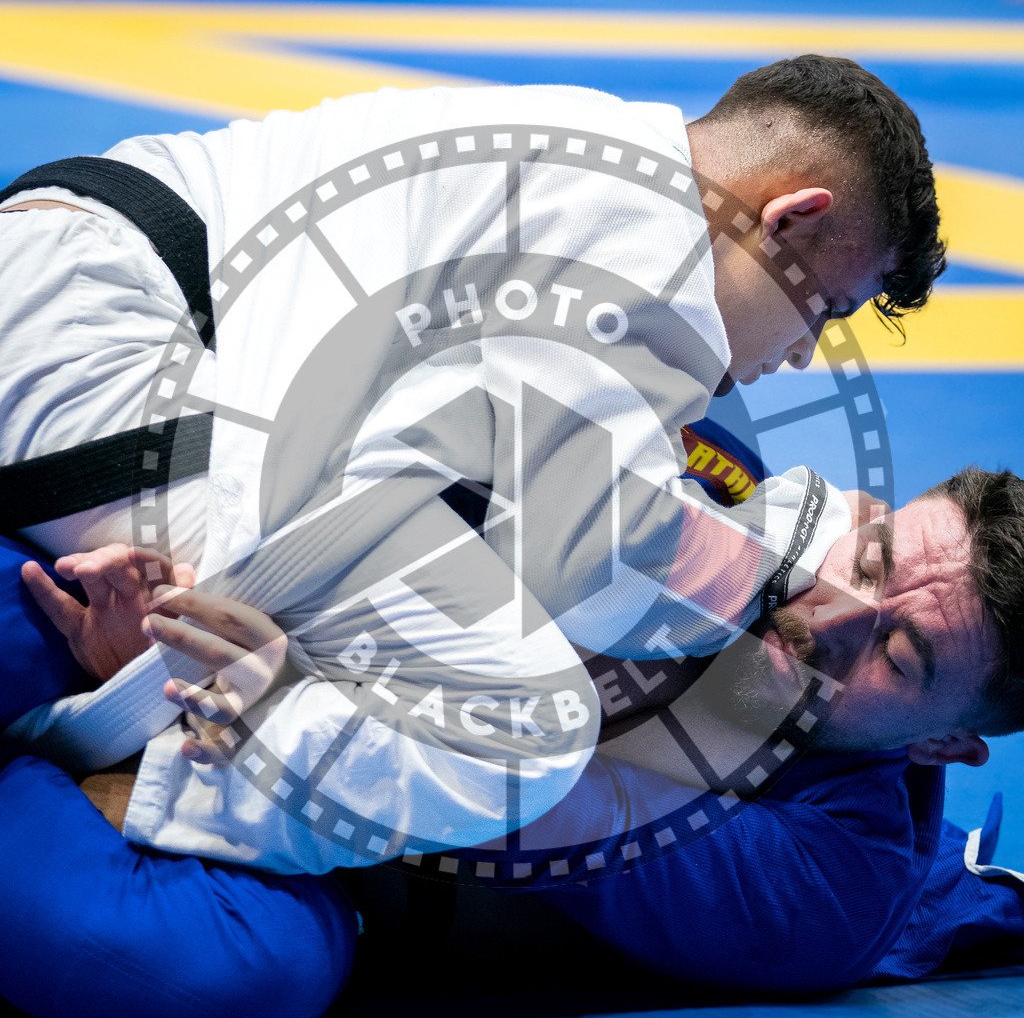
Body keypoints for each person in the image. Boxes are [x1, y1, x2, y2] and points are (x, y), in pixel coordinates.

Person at [0, 55, 945, 872]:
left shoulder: (592, 159)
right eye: (826, 308)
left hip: (105, 303)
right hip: (100, 340)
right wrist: (802, 550)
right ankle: (117, 787)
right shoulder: (641, 236)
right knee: (529, 724)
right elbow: (592, 569)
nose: (798, 357)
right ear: (787, 219)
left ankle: (124, 731)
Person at [3, 441, 1024, 1016]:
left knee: (225, 977)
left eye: (899, 655)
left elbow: (497, 794)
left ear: (941, 744)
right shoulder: (724, 505)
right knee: (40, 605)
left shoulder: (828, 883)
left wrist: (167, 674)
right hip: (279, 631)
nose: (833, 616)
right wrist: (197, 581)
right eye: (876, 558)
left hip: (330, 859)